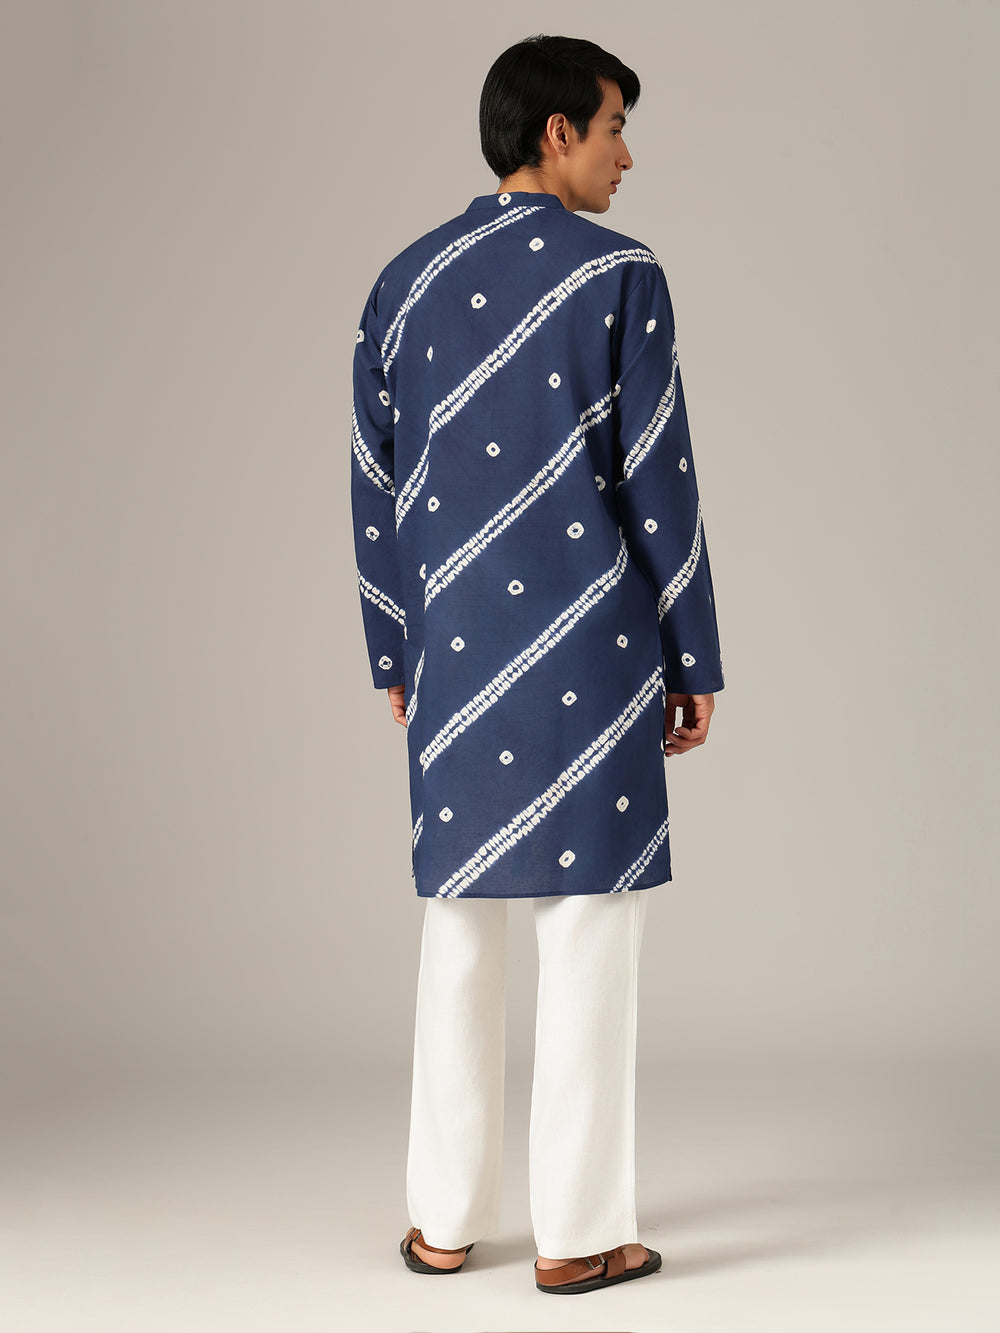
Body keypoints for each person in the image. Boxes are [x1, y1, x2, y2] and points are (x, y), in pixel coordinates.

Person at [350, 33, 725, 1295]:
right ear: (556, 132)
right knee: (589, 936)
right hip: (592, 647)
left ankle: (441, 1222)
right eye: (614, 126)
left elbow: (374, 485)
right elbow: (657, 478)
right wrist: (692, 653)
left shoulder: (402, 280)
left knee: (457, 930)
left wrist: (392, 644)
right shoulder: (619, 275)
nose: (627, 155)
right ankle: (576, 1234)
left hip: (454, 654)